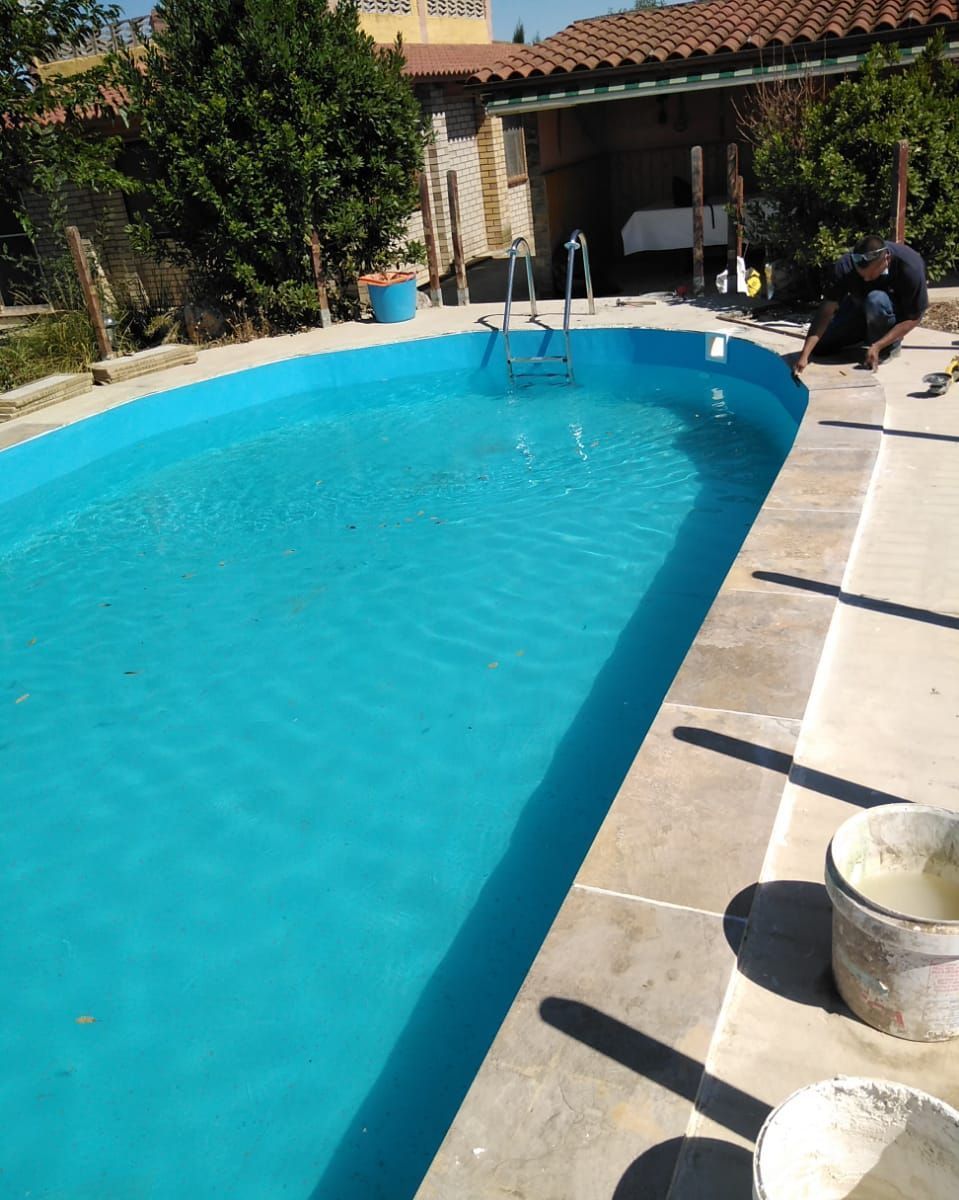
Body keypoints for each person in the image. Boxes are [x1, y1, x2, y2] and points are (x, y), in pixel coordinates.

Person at [793, 235, 928, 377]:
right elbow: (826, 311)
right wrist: (805, 354)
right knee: (820, 347)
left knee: (875, 299)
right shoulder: (845, 266)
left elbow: (914, 318)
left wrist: (879, 345)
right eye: (862, 275)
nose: (866, 279)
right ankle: (864, 333)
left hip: (890, 314)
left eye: (871, 274)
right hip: (860, 308)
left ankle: (888, 346)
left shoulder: (910, 266)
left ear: (886, 259)